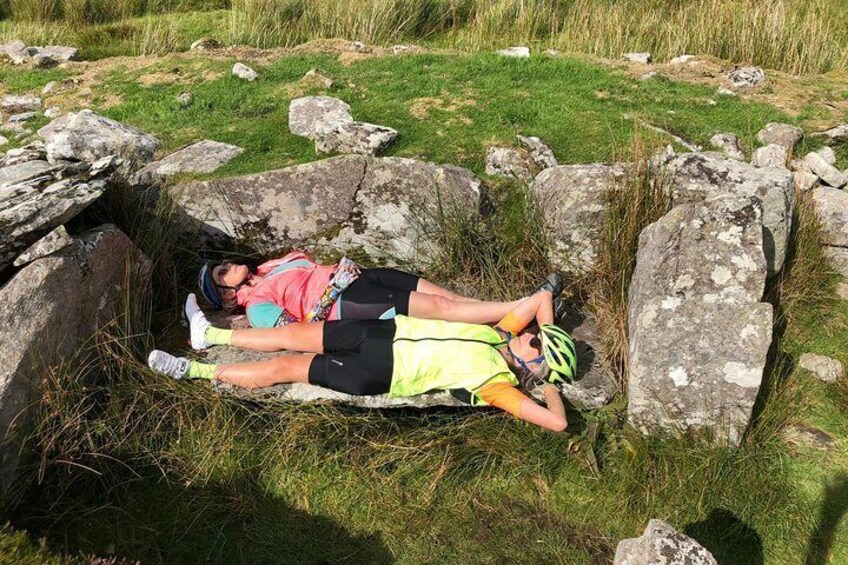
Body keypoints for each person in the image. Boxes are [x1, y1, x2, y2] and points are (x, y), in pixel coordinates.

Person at [148, 289, 577, 432]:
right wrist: (549, 334)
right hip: (383, 332)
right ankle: (210, 335)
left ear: (533, 365)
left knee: (287, 367)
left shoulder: (497, 386)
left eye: (537, 342)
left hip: (379, 372)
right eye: (537, 332)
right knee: (291, 334)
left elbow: (556, 423)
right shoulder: (500, 332)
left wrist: (549, 387)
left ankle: (194, 371)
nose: (531, 335)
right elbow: (541, 298)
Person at [197, 251, 562, 329]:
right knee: (440, 307)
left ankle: (521, 316)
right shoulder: (258, 305)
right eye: (221, 272)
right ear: (228, 297)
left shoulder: (268, 268)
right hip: (350, 301)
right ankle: (532, 302)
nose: (228, 263)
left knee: (450, 299)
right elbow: (296, 331)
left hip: (362, 276)